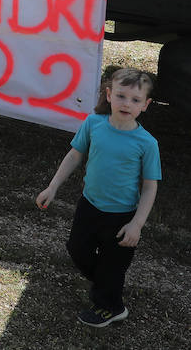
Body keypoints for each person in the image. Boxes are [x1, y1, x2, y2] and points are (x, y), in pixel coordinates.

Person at [36, 68, 161, 328]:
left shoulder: (147, 143)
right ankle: (107, 285)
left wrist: (136, 224)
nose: (127, 104)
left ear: (146, 105)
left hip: (122, 216)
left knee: (112, 266)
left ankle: (110, 306)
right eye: (121, 96)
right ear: (109, 94)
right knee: (77, 250)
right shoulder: (94, 123)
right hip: (89, 206)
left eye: (136, 100)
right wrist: (53, 186)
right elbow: (74, 155)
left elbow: (150, 187)